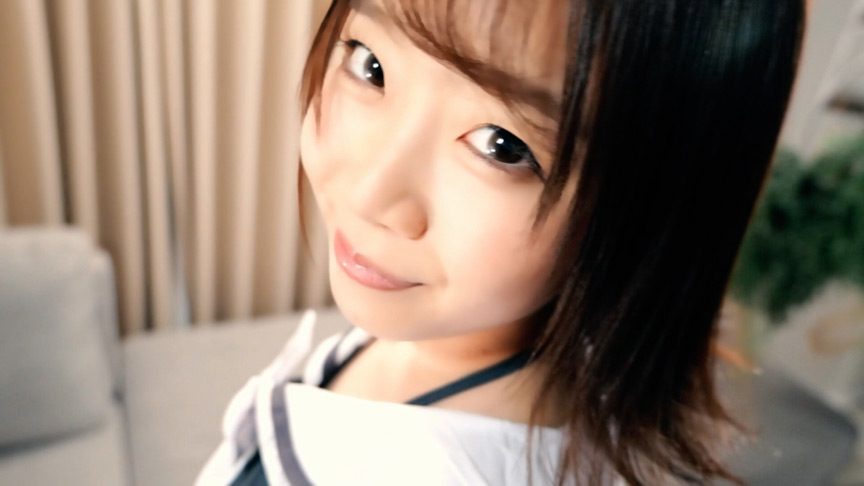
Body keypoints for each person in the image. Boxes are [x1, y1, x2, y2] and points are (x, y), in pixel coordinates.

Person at [196, 0, 806, 484]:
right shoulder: (446, 334)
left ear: (656, 211)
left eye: (501, 145)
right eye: (370, 65)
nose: (370, 193)